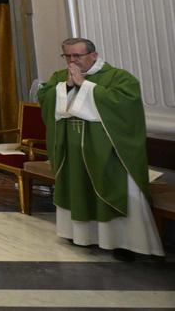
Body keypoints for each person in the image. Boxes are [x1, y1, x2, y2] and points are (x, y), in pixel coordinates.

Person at [37, 37, 163, 259]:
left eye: (77, 55)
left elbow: (125, 106)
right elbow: (45, 97)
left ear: (94, 55)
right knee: (78, 190)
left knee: (115, 190)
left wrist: (84, 85)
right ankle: (82, 236)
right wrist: (66, 86)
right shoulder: (60, 77)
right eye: (67, 56)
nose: (72, 61)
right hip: (73, 152)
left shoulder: (119, 77)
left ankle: (124, 242)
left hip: (109, 152)